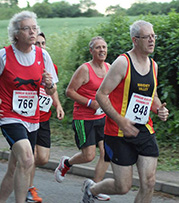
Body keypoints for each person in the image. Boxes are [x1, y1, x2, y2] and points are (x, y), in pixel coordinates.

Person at [81, 20, 170, 203]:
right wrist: (120, 120)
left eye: (154, 36)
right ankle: (92, 189)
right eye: (147, 37)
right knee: (123, 187)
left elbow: (151, 96)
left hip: (144, 129)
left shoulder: (153, 65)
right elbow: (101, 95)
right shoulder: (122, 63)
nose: (152, 40)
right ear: (135, 40)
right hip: (118, 132)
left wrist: (159, 109)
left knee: (149, 182)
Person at [0, 11, 58, 203]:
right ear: (16, 34)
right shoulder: (2, 56)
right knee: (28, 159)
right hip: (9, 115)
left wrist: (49, 85)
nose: (32, 32)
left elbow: (52, 89)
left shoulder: (43, 55)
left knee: (15, 167)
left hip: (32, 118)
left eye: (34, 28)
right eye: (27, 29)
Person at [54, 36, 111, 201]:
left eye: (104, 47)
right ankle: (66, 164)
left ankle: (95, 187)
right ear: (91, 51)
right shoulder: (85, 69)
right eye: (98, 47)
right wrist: (89, 103)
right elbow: (69, 91)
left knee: (107, 153)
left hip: (103, 116)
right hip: (84, 118)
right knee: (89, 156)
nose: (102, 50)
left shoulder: (109, 67)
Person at [26, 32, 65, 203]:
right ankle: (29, 188)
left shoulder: (50, 65)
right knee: (29, 155)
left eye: (43, 44)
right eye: (37, 44)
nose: (40, 47)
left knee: (42, 158)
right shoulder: (26, 65)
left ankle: (22, 168)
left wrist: (58, 105)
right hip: (26, 118)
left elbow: (52, 89)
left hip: (43, 117)